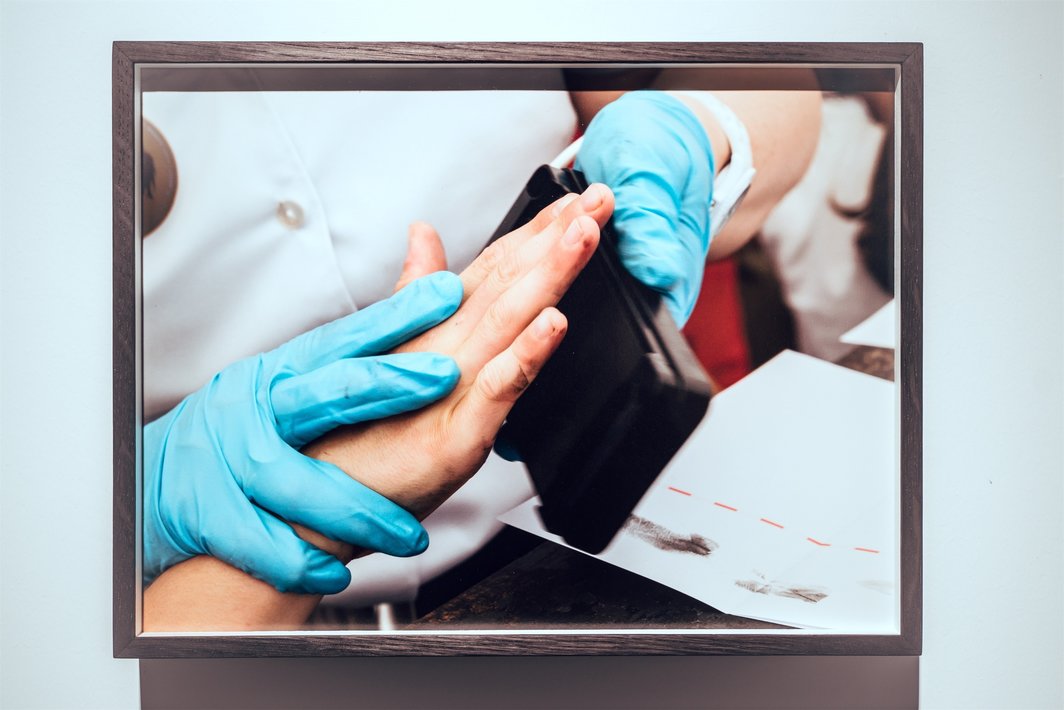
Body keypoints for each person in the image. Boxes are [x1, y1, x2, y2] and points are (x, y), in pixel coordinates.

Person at [139, 75, 822, 629]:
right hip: (197, 595)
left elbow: (774, 81)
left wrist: (702, 126)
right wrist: (125, 494)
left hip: (569, 523)